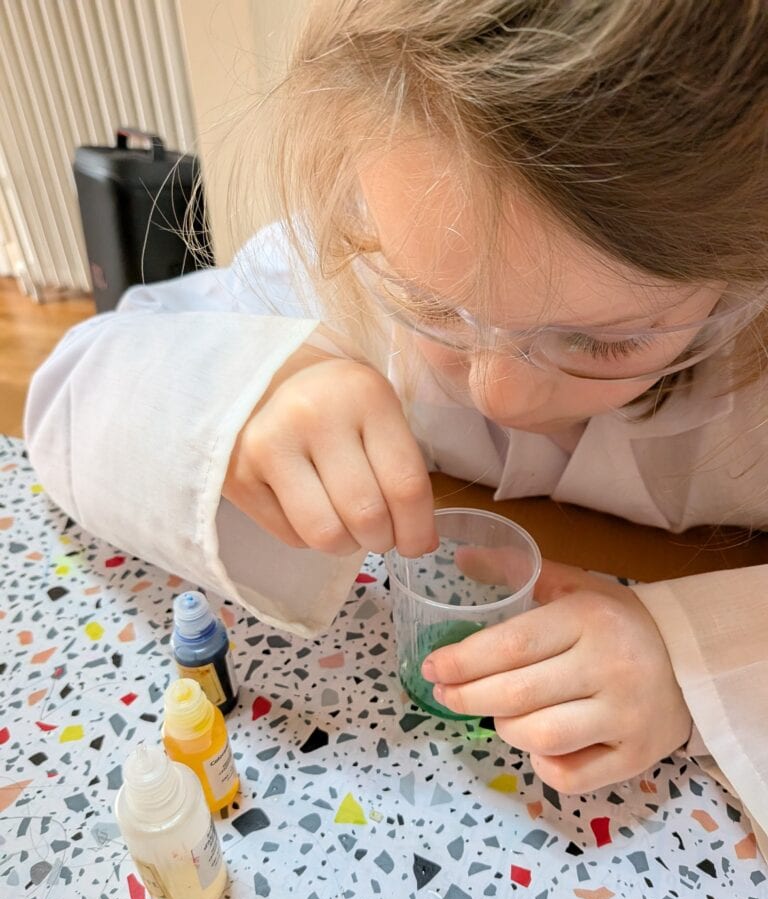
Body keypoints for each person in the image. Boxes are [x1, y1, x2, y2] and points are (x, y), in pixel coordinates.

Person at [26, 1, 768, 854]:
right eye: (431, 307)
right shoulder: (361, 243)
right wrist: (241, 400)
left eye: (605, 340)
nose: (503, 395)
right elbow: (73, 389)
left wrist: (701, 652)